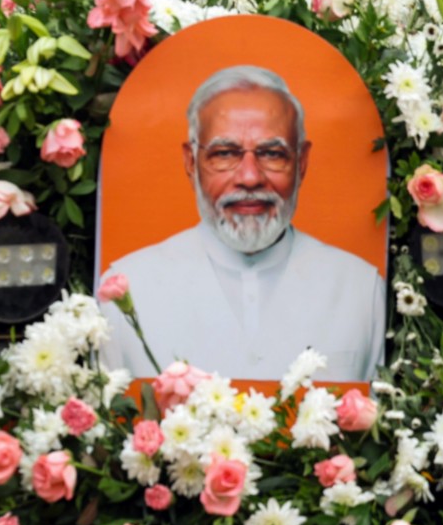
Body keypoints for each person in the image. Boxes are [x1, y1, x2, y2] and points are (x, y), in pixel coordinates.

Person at [100, 65, 385, 382]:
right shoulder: (128, 288)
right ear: (191, 162)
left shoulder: (360, 288)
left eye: (272, 153)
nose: (250, 177)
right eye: (225, 153)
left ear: (301, 162)